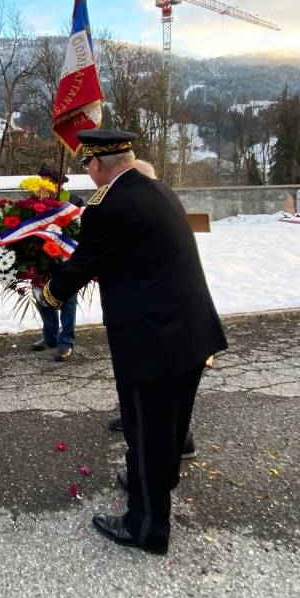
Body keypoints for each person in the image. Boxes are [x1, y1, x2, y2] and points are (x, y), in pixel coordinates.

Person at [40, 130, 227, 555]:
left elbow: (86, 262)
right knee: (172, 425)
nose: (87, 174)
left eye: (87, 165)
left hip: (151, 338)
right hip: (191, 331)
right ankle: (158, 481)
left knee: (146, 431)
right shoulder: (158, 189)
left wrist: (48, 293)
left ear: (100, 164)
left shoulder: (110, 204)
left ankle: (146, 526)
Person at [105, 157, 197, 461]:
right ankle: (164, 438)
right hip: (171, 314)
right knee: (162, 394)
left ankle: (176, 443)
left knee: (164, 396)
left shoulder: (148, 208)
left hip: (164, 318)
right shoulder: (155, 203)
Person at [30, 165, 84, 362]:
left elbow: (81, 230)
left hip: (65, 260)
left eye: (50, 181)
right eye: (42, 181)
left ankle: (66, 342)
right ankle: (50, 337)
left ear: (59, 184)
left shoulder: (73, 202)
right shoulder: (33, 203)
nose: (45, 185)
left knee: (68, 301)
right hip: (41, 260)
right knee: (43, 299)